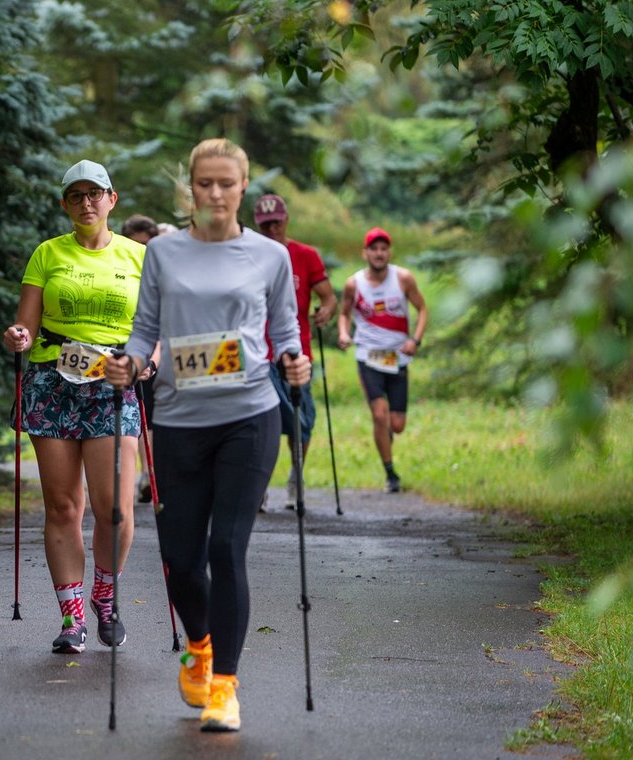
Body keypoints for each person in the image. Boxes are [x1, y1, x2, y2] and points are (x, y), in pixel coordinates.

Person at [106, 138, 310, 733]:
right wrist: (131, 364)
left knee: (227, 550)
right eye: (204, 184)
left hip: (249, 414)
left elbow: (285, 330)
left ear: (243, 187)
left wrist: (296, 361)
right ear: (189, 189)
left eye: (226, 183)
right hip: (178, 420)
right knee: (180, 559)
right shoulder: (164, 254)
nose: (215, 194)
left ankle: (225, 686)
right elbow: (144, 331)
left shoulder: (268, 258)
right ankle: (199, 647)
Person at [2, 159, 148, 654]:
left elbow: (156, 330)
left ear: (113, 199)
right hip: (53, 380)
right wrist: (18, 337)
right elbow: (26, 326)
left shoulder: (138, 257)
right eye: (75, 195)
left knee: (115, 510)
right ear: (65, 204)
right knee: (64, 506)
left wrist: (146, 363)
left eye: (95, 193)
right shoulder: (47, 254)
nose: (86, 203)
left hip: (112, 380)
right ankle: (72, 618)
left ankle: (105, 593)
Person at [253, 193, 337, 511]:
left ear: (286, 219)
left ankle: (295, 475)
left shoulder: (305, 255)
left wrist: (326, 311)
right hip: (259, 353)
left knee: (303, 419)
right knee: (266, 420)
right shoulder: (250, 254)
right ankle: (258, 486)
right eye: (266, 224)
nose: (272, 228)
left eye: (277, 222)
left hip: (296, 351)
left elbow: (328, 296)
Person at [337, 227, 428, 493]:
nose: (379, 253)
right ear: (365, 253)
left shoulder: (403, 279)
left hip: (397, 357)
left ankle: (386, 437)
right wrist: (344, 333)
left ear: (389, 252)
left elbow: (422, 309)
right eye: (374, 249)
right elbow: (344, 314)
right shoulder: (354, 284)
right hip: (368, 356)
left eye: (383, 248)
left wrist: (416, 340)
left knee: (396, 425)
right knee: (379, 414)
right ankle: (391, 474)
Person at [120, 214, 161, 504]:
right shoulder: (120, 266)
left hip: (155, 354)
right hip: (124, 353)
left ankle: (150, 475)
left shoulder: (160, 270)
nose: (142, 250)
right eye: (136, 244)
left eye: (147, 244)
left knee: (153, 419)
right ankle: (132, 476)